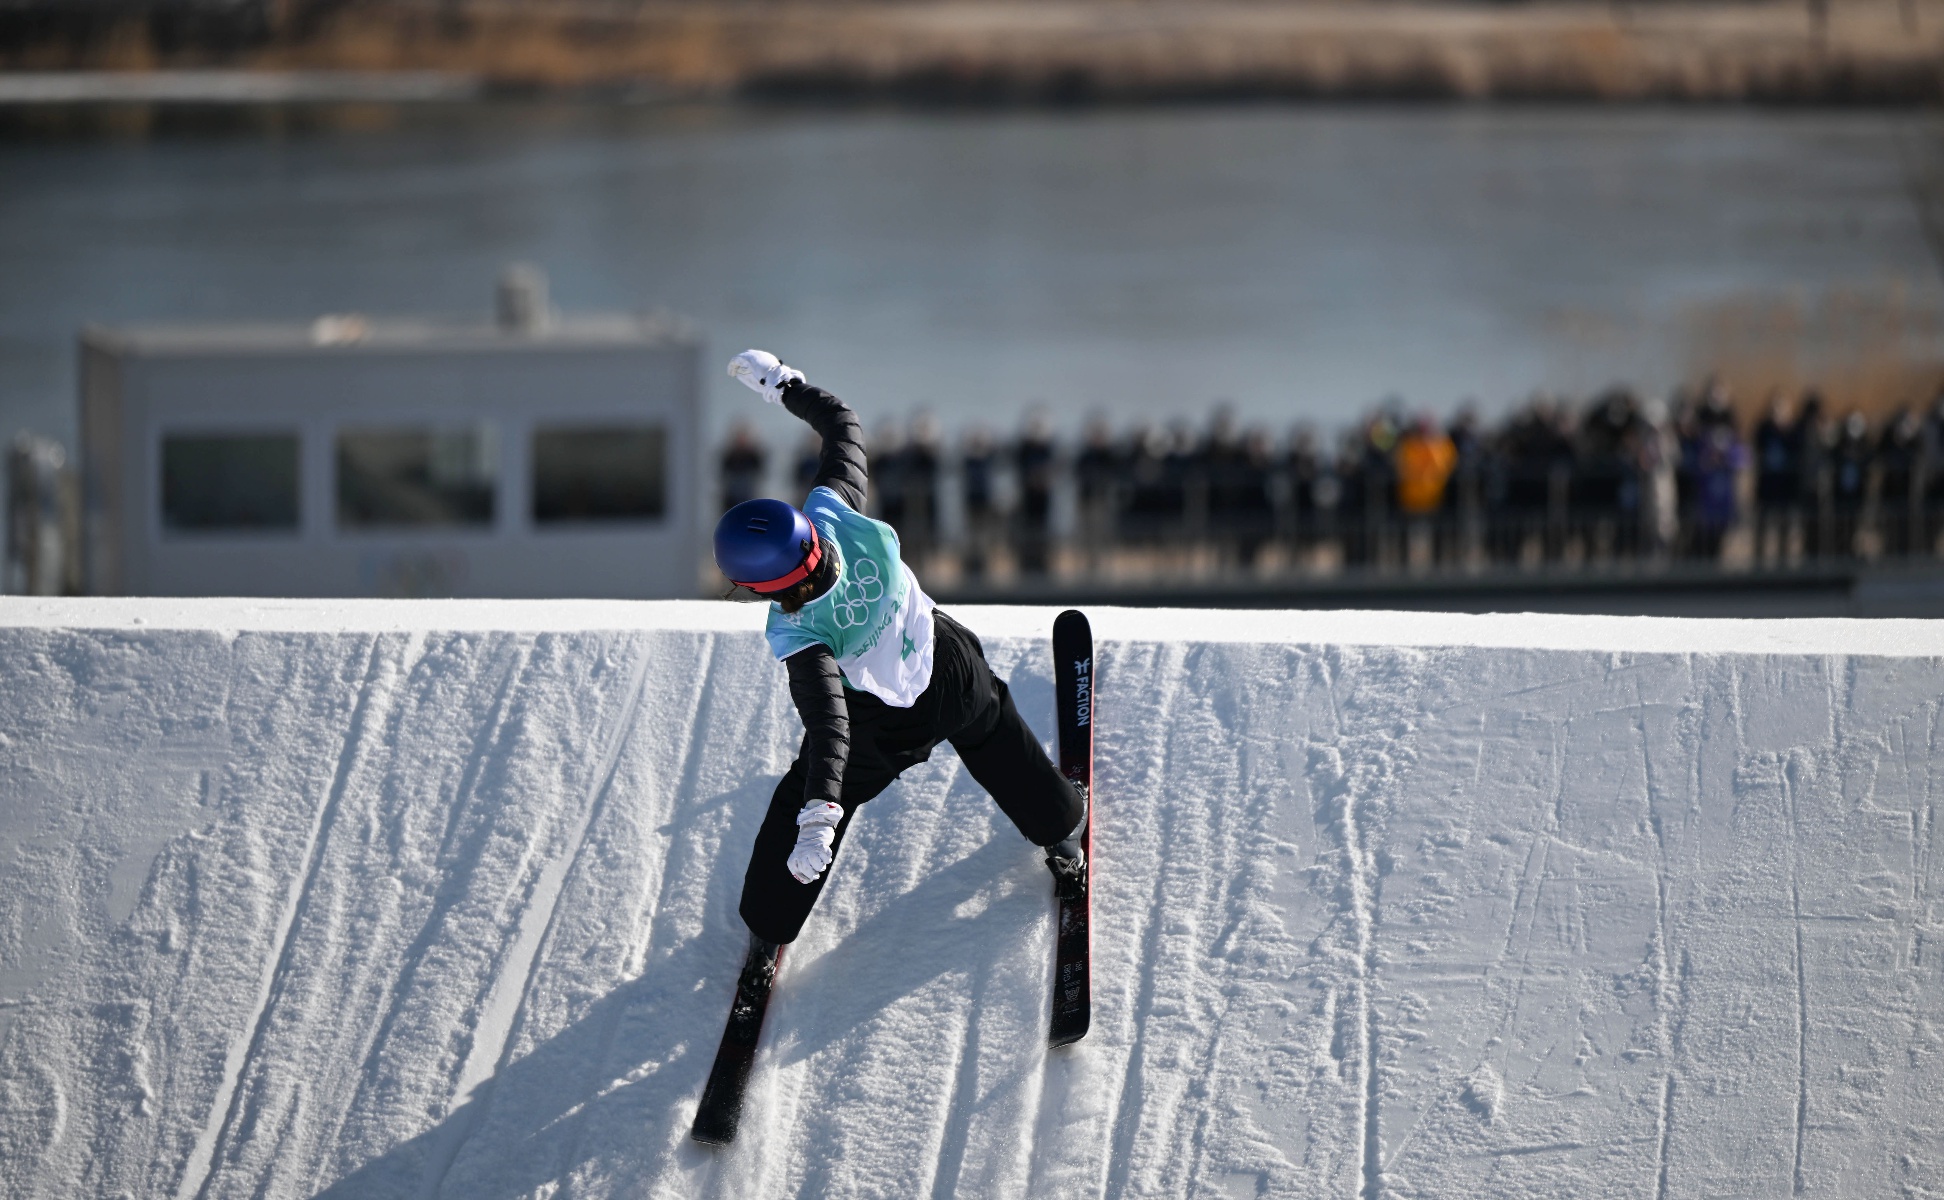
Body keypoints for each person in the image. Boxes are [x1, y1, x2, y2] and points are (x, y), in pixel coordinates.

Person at [713, 349, 1090, 975]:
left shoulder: (800, 631)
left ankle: (767, 929)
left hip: (883, 724)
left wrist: (818, 817)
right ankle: (1062, 828)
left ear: (760, 587)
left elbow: (831, 728)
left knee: (796, 801)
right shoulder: (833, 514)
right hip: (949, 664)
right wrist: (785, 384)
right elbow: (843, 429)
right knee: (994, 728)